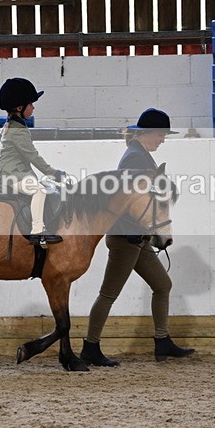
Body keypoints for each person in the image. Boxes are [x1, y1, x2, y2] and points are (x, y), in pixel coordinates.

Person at [80, 108, 195, 366]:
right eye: (161, 135)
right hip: (126, 239)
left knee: (162, 285)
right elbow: (130, 202)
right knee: (108, 294)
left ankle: (162, 341)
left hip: (137, 237)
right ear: (148, 133)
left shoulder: (141, 156)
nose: (163, 140)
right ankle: (90, 346)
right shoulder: (135, 160)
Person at [0, 77, 66, 246]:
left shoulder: (13, 125)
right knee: (40, 190)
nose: (33, 108)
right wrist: (52, 172)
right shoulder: (18, 131)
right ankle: (37, 231)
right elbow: (33, 156)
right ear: (19, 107)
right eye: (31, 104)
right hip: (12, 174)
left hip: (15, 171)